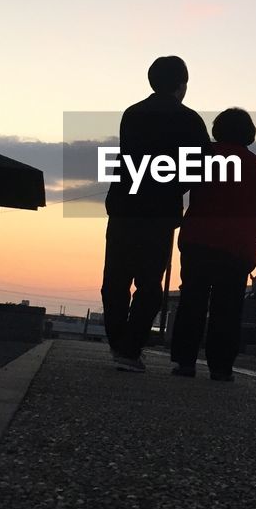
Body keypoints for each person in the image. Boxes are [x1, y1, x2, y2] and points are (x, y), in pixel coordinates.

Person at [102, 56, 209, 372]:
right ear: (181, 85)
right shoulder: (190, 121)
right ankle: (130, 348)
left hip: (123, 206)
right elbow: (199, 167)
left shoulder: (132, 114)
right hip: (160, 211)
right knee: (150, 284)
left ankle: (119, 343)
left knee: (115, 279)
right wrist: (176, 186)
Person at [170, 107, 256, 381]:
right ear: (249, 133)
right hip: (238, 249)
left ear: (217, 130)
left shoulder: (205, 155)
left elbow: (178, 185)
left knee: (192, 300)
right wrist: (255, 236)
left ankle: (185, 361)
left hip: (199, 241)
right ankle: (221, 366)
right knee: (228, 308)